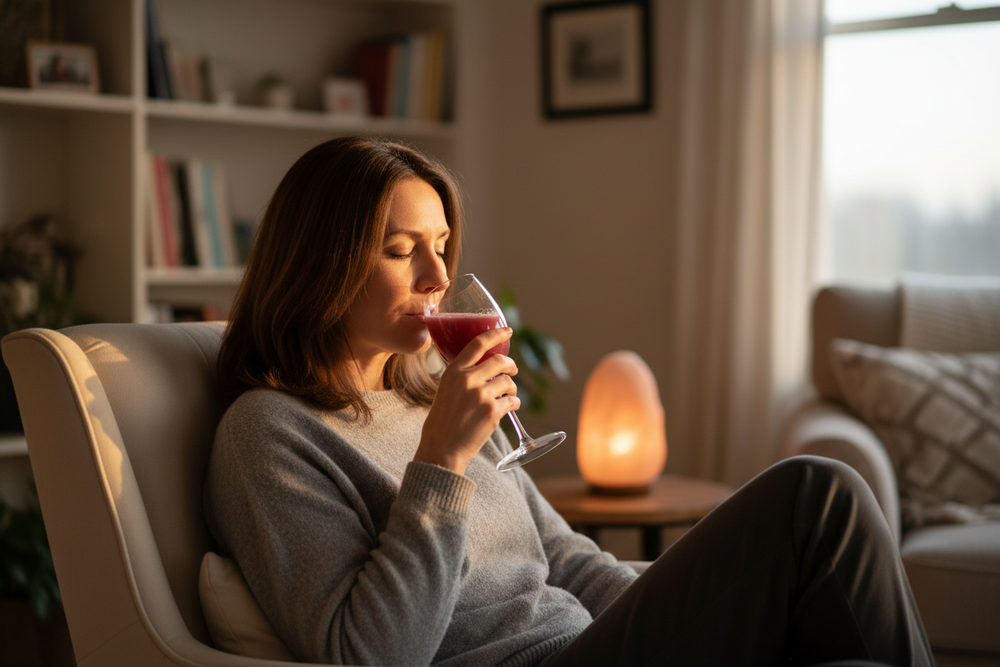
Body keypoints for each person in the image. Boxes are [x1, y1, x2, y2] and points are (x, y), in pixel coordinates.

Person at [204, 136, 934, 667]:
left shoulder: (432, 395)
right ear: (319, 262)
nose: (437, 275)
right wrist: (443, 460)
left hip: (591, 643)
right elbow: (368, 652)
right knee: (818, 491)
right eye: (402, 250)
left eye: (443, 245)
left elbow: (565, 558)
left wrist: (684, 607)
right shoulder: (269, 433)